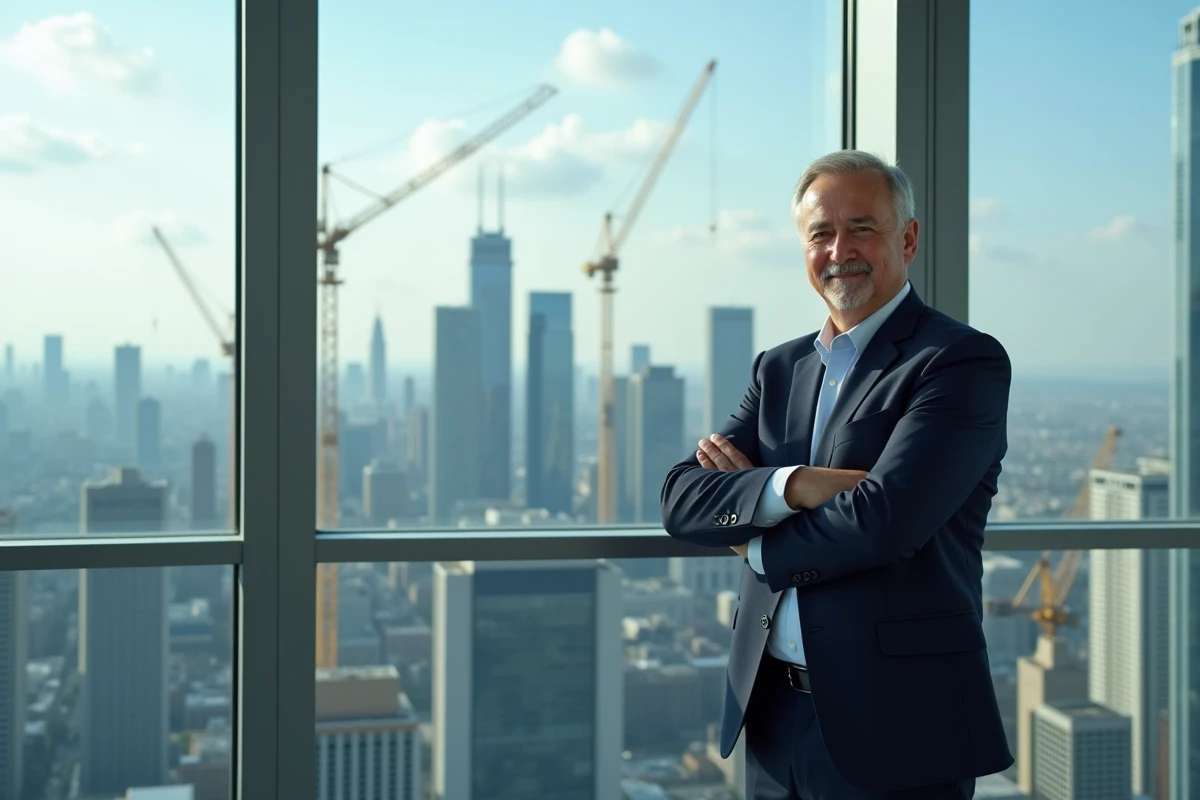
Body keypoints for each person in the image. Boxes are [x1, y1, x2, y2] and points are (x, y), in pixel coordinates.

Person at [660, 150, 1014, 800]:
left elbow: (886, 520)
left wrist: (755, 542)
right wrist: (794, 484)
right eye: (821, 233)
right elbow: (682, 499)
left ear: (907, 239)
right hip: (771, 716)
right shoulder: (779, 369)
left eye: (862, 228)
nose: (839, 250)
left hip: (900, 723)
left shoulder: (959, 361)